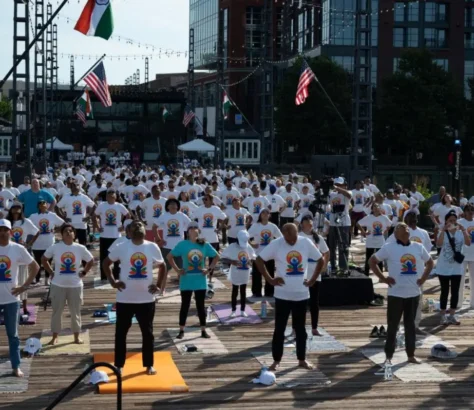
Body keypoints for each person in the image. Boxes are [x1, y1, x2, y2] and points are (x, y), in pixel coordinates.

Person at [255, 224, 324, 370]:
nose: (292, 241)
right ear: (284, 235)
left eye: (293, 238)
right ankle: (276, 360)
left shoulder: (305, 242)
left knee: (301, 330)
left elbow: (321, 259)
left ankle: (301, 359)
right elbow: (259, 260)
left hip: (301, 294)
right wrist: (270, 279)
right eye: (288, 238)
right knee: (279, 329)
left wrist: (312, 280)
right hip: (282, 295)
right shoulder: (276, 244)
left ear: (296, 233)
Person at [103, 221, 166, 375]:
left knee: (148, 333)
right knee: (121, 333)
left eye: (141, 225)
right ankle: (119, 364)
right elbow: (106, 263)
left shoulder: (152, 246)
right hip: (125, 298)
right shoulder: (122, 246)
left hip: (146, 299)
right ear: (129, 232)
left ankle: (149, 364)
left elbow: (162, 266)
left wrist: (158, 285)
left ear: (145, 230)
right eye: (134, 226)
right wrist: (113, 282)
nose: (138, 227)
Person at [369, 223, 434, 365]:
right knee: (392, 326)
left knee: (410, 325)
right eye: (402, 228)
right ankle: (388, 356)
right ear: (396, 233)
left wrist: (423, 278)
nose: (406, 229)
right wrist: (383, 278)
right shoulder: (389, 247)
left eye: (407, 228)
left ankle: (411, 355)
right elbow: (372, 261)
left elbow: (430, 263)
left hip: (413, 293)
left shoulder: (418, 246)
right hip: (396, 293)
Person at [41, 224, 94, 345]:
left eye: (71, 231)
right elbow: (44, 259)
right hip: (58, 284)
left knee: (75, 312)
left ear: (74, 234)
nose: (68, 232)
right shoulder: (55, 247)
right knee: (57, 312)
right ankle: (54, 336)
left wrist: (84, 272)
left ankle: (76, 336)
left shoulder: (80, 248)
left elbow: (91, 261)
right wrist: (50, 272)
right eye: (66, 231)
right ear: (62, 234)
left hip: (75, 285)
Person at [0, 219, 39, 377]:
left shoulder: (18, 248)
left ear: (10, 232)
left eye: (5, 230)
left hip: (11, 299)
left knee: (13, 335)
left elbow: (35, 267)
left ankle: (16, 366)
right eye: (0, 229)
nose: (2, 232)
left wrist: (24, 286)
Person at [167, 222, 219, 340]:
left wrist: (209, 269)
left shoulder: (204, 244)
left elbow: (216, 256)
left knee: (200, 306)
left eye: (196, 227)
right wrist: (177, 270)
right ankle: (181, 330)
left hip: (200, 280)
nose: (194, 229)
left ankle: (203, 330)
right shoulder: (182, 244)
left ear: (199, 231)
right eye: (191, 228)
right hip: (186, 280)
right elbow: (169, 256)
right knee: (185, 305)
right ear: (187, 231)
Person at [435, 210, 470, 325]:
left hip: (457, 267)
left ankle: (452, 315)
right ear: (446, 221)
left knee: (455, 292)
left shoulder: (460, 233)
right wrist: (443, 230)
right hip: (443, 267)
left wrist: (464, 230)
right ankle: (443, 315)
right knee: (444, 291)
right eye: (450, 221)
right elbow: (439, 244)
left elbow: (468, 243)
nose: (453, 222)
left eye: (454, 221)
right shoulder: (444, 232)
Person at [297, 215, 330, 336]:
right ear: (302, 224)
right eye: (307, 222)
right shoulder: (299, 237)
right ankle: (297, 327)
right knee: (300, 302)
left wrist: (324, 266)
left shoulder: (318, 238)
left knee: (314, 302)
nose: (309, 224)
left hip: (315, 272)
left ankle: (314, 327)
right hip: (302, 273)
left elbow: (326, 252)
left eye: (311, 222)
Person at [7, 203, 39, 315]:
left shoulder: (26, 222)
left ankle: (24, 307)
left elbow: (37, 232)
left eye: (18, 208)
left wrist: (29, 244)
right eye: (14, 208)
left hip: (21, 253)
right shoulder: (6, 223)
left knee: (23, 279)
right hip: (7, 254)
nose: (16, 210)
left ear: (21, 210)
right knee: (7, 279)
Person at [94, 189, 130, 280]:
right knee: (104, 257)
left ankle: (116, 275)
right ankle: (104, 276)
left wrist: (123, 226)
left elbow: (128, 215)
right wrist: (98, 227)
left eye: (112, 195)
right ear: (106, 197)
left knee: (117, 257)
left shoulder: (119, 206)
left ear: (115, 197)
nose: (110, 196)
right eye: (109, 195)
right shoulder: (102, 205)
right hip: (104, 235)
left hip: (116, 235)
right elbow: (94, 216)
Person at [221, 230, 257, 317]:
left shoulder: (248, 246)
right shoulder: (232, 246)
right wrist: (231, 261)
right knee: (235, 290)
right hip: (235, 271)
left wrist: (250, 261)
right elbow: (223, 257)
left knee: (243, 291)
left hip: (245, 271)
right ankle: (233, 310)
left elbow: (253, 257)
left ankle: (242, 310)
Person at [248, 209, 282, 297]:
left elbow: (280, 238)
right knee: (257, 274)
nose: (265, 214)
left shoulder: (273, 226)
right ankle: (256, 292)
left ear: (269, 215)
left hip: (270, 254)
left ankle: (269, 291)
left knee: (270, 272)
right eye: (263, 212)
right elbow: (246, 236)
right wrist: (251, 244)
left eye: (267, 213)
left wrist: (275, 247)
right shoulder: (255, 225)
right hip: (258, 254)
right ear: (260, 215)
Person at [29, 200, 65, 285]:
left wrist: (56, 230)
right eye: (40, 204)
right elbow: (28, 226)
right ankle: (36, 278)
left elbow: (63, 223)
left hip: (49, 242)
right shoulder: (33, 216)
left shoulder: (52, 215)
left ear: (47, 205)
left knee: (48, 261)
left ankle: (47, 278)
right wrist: (35, 231)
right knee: (37, 261)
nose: (42, 206)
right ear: (38, 206)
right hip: (37, 243)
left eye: (44, 204)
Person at [154, 198, 192, 271]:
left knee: (181, 268)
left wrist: (188, 239)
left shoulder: (182, 215)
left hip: (180, 246)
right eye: (171, 204)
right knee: (165, 269)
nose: (173, 205)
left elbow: (191, 226)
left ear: (177, 206)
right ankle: (163, 282)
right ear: (167, 207)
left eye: (174, 204)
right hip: (167, 246)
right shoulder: (163, 216)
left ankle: (181, 282)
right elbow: (154, 227)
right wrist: (158, 239)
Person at [57, 181, 95, 246]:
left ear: (80, 187)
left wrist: (89, 216)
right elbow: (57, 207)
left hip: (82, 225)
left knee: (83, 245)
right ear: (71, 188)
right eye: (74, 186)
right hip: (71, 225)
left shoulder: (84, 197)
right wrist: (63, 217)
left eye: (77, 185)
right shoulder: (66, 197)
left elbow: (94, 206)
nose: (76, 187)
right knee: (69, 244)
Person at [358, 203, 392, 276]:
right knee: (369, 257)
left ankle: (381, 275)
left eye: (377, 207)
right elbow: (358, 224)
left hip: (380, 241)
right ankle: (366, 274)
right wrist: (364, 232)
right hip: (370, 240)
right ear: (372, 209)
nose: (376, 208)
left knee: (380, 258)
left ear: (380, 208)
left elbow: (390, 225)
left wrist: (384, 231)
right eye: (374, 207)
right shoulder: (368, 217)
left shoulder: (384, 217)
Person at [327, 177, 352, 272]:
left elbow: (349, 195)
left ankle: (343, 266)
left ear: (344, 185)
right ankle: (333, 265)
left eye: (339, 184)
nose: (337, 186)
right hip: (333, 223)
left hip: (344, 222)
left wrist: (337, 188)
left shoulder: (347, 193)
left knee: (343, 245)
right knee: (332, 245)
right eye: (336, 184)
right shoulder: (332, 194)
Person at [458, 204, 474, 309]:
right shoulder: (459, 223)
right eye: (468, 210)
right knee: (460, 280)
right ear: (464, 212)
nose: (470, 212)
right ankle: (458, 303)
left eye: (472, 210)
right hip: (462, 255)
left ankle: (473, 303)